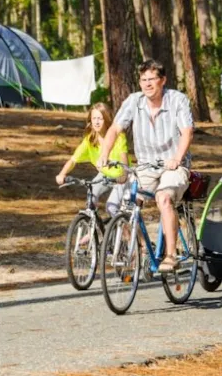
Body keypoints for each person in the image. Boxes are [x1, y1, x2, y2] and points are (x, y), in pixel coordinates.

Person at [97, 59, 194, 273]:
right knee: (126, 207)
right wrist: (104, 153)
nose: (147, 84)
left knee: (164, 199)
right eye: (143, 80)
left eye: (152, 79)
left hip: (173, 166)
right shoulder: (134, 101)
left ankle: (170, 255)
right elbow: (115, 128)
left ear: (163, 80)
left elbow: (187, 132)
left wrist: (177, 158)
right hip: (146, 166)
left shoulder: (177, 100)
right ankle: (141, 247)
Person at [55, 102, 129, 217]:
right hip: (105, 174)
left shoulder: (118, 136)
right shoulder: (90, 139)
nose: (97, 122)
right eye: (94, 118)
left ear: (107, 119)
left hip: (122, 175)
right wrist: (62, 174)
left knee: (111, 207)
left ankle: (127, 233)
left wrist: (124, 176)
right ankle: (91, 231)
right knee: (91, 199)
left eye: (100, 118)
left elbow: (124, 158)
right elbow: (73, 160)